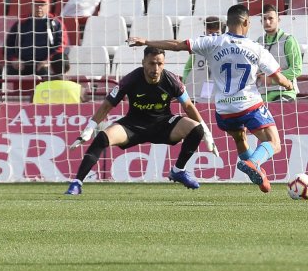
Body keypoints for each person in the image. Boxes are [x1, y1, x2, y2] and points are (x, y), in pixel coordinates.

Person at [128, 4, 292, 192]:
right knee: (274, 143)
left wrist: (147, 41)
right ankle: (253, 163)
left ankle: (257, 172)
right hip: (249, 105)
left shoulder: (213, 42)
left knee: (240, 137)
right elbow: (278, 78)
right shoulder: (256, 48)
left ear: (228, 23)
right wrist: (289, 84)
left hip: (224, 111)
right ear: (247, 22)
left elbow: (177, 45)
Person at [66, 46, 215, 195]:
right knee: (102, 138)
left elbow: (188, 106)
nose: (156, 68)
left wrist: (207, 133)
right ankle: (76, 183)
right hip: (133, 125)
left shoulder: (171, 80)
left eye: (160, 64)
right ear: (143, 62)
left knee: (196, 128)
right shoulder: (130, 79)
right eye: (151, 63)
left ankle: (178, 170)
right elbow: (106, 105)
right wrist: (89, 129)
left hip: (163, 124)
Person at [5, 0, 67, 78]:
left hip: (45, 64)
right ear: (31, 5)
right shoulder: (20, 23)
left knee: (47, 73)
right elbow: (8, 45)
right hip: (22, 64)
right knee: (6, 72)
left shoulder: (56, 24)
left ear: (48, 6)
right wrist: (14, 59)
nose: (39, 7)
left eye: (42, 4)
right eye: (36, 4)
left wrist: (48, 60)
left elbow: (61, 46)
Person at [258, 6, 301, 102]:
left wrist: (272, 79)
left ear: (278, 20)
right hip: (262, 93)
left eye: (270, 18)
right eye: (264, 19)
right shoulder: (259, 41)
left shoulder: (289, 40)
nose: (267, 22)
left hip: (284, 91)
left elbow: (297, 69)